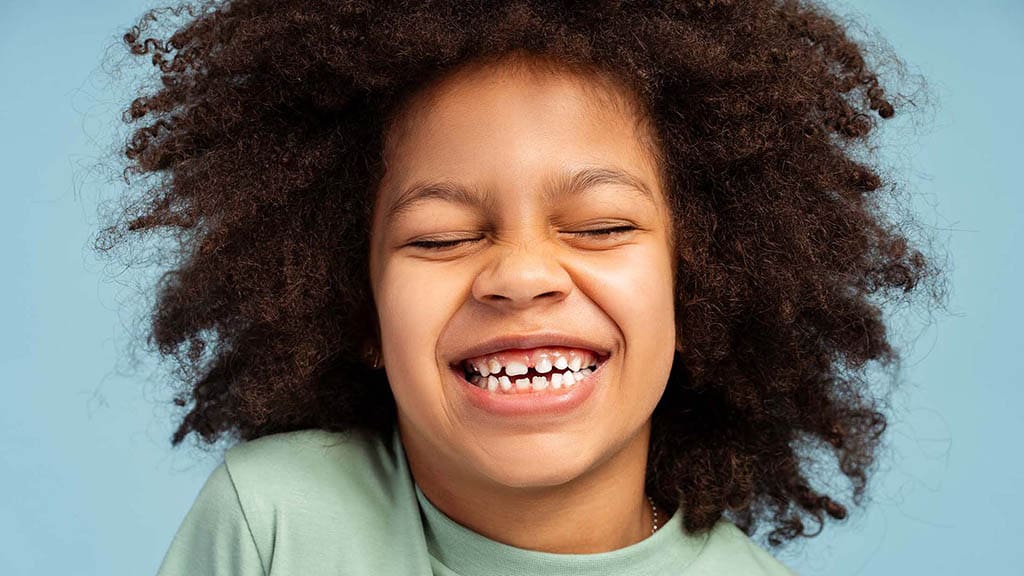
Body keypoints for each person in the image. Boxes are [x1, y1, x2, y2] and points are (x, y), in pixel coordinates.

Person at [99, 0, 943, 574]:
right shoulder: (275, 521)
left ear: (704, 288)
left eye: (603, 226)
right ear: (355, 304)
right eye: (443, 237)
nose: (521, 277)